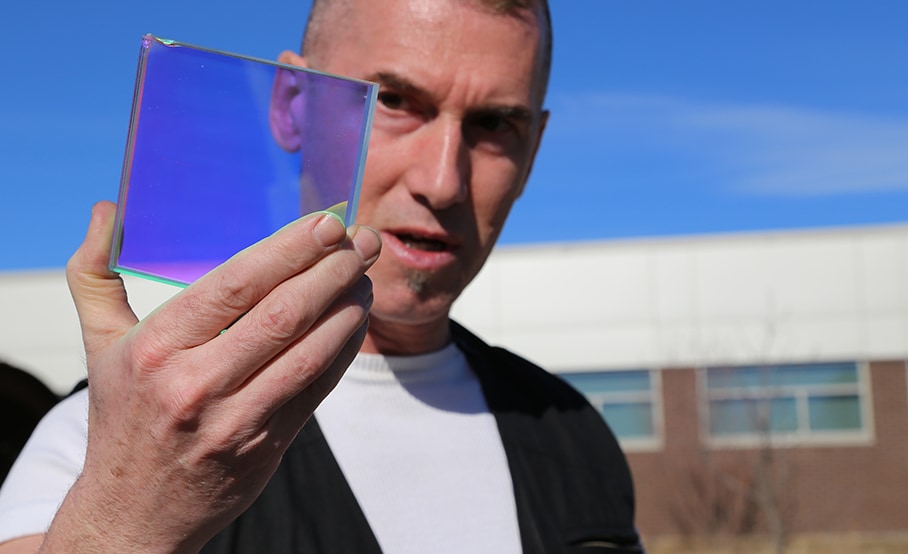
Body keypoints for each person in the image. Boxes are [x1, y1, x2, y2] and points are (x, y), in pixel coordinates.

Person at [0, 0, 643, 552]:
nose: (443, 181)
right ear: (292, 107)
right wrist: (123, 517)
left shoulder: (573, 435)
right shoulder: (102, 443)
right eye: (394, 101)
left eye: (495, 124)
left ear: (533, 151)